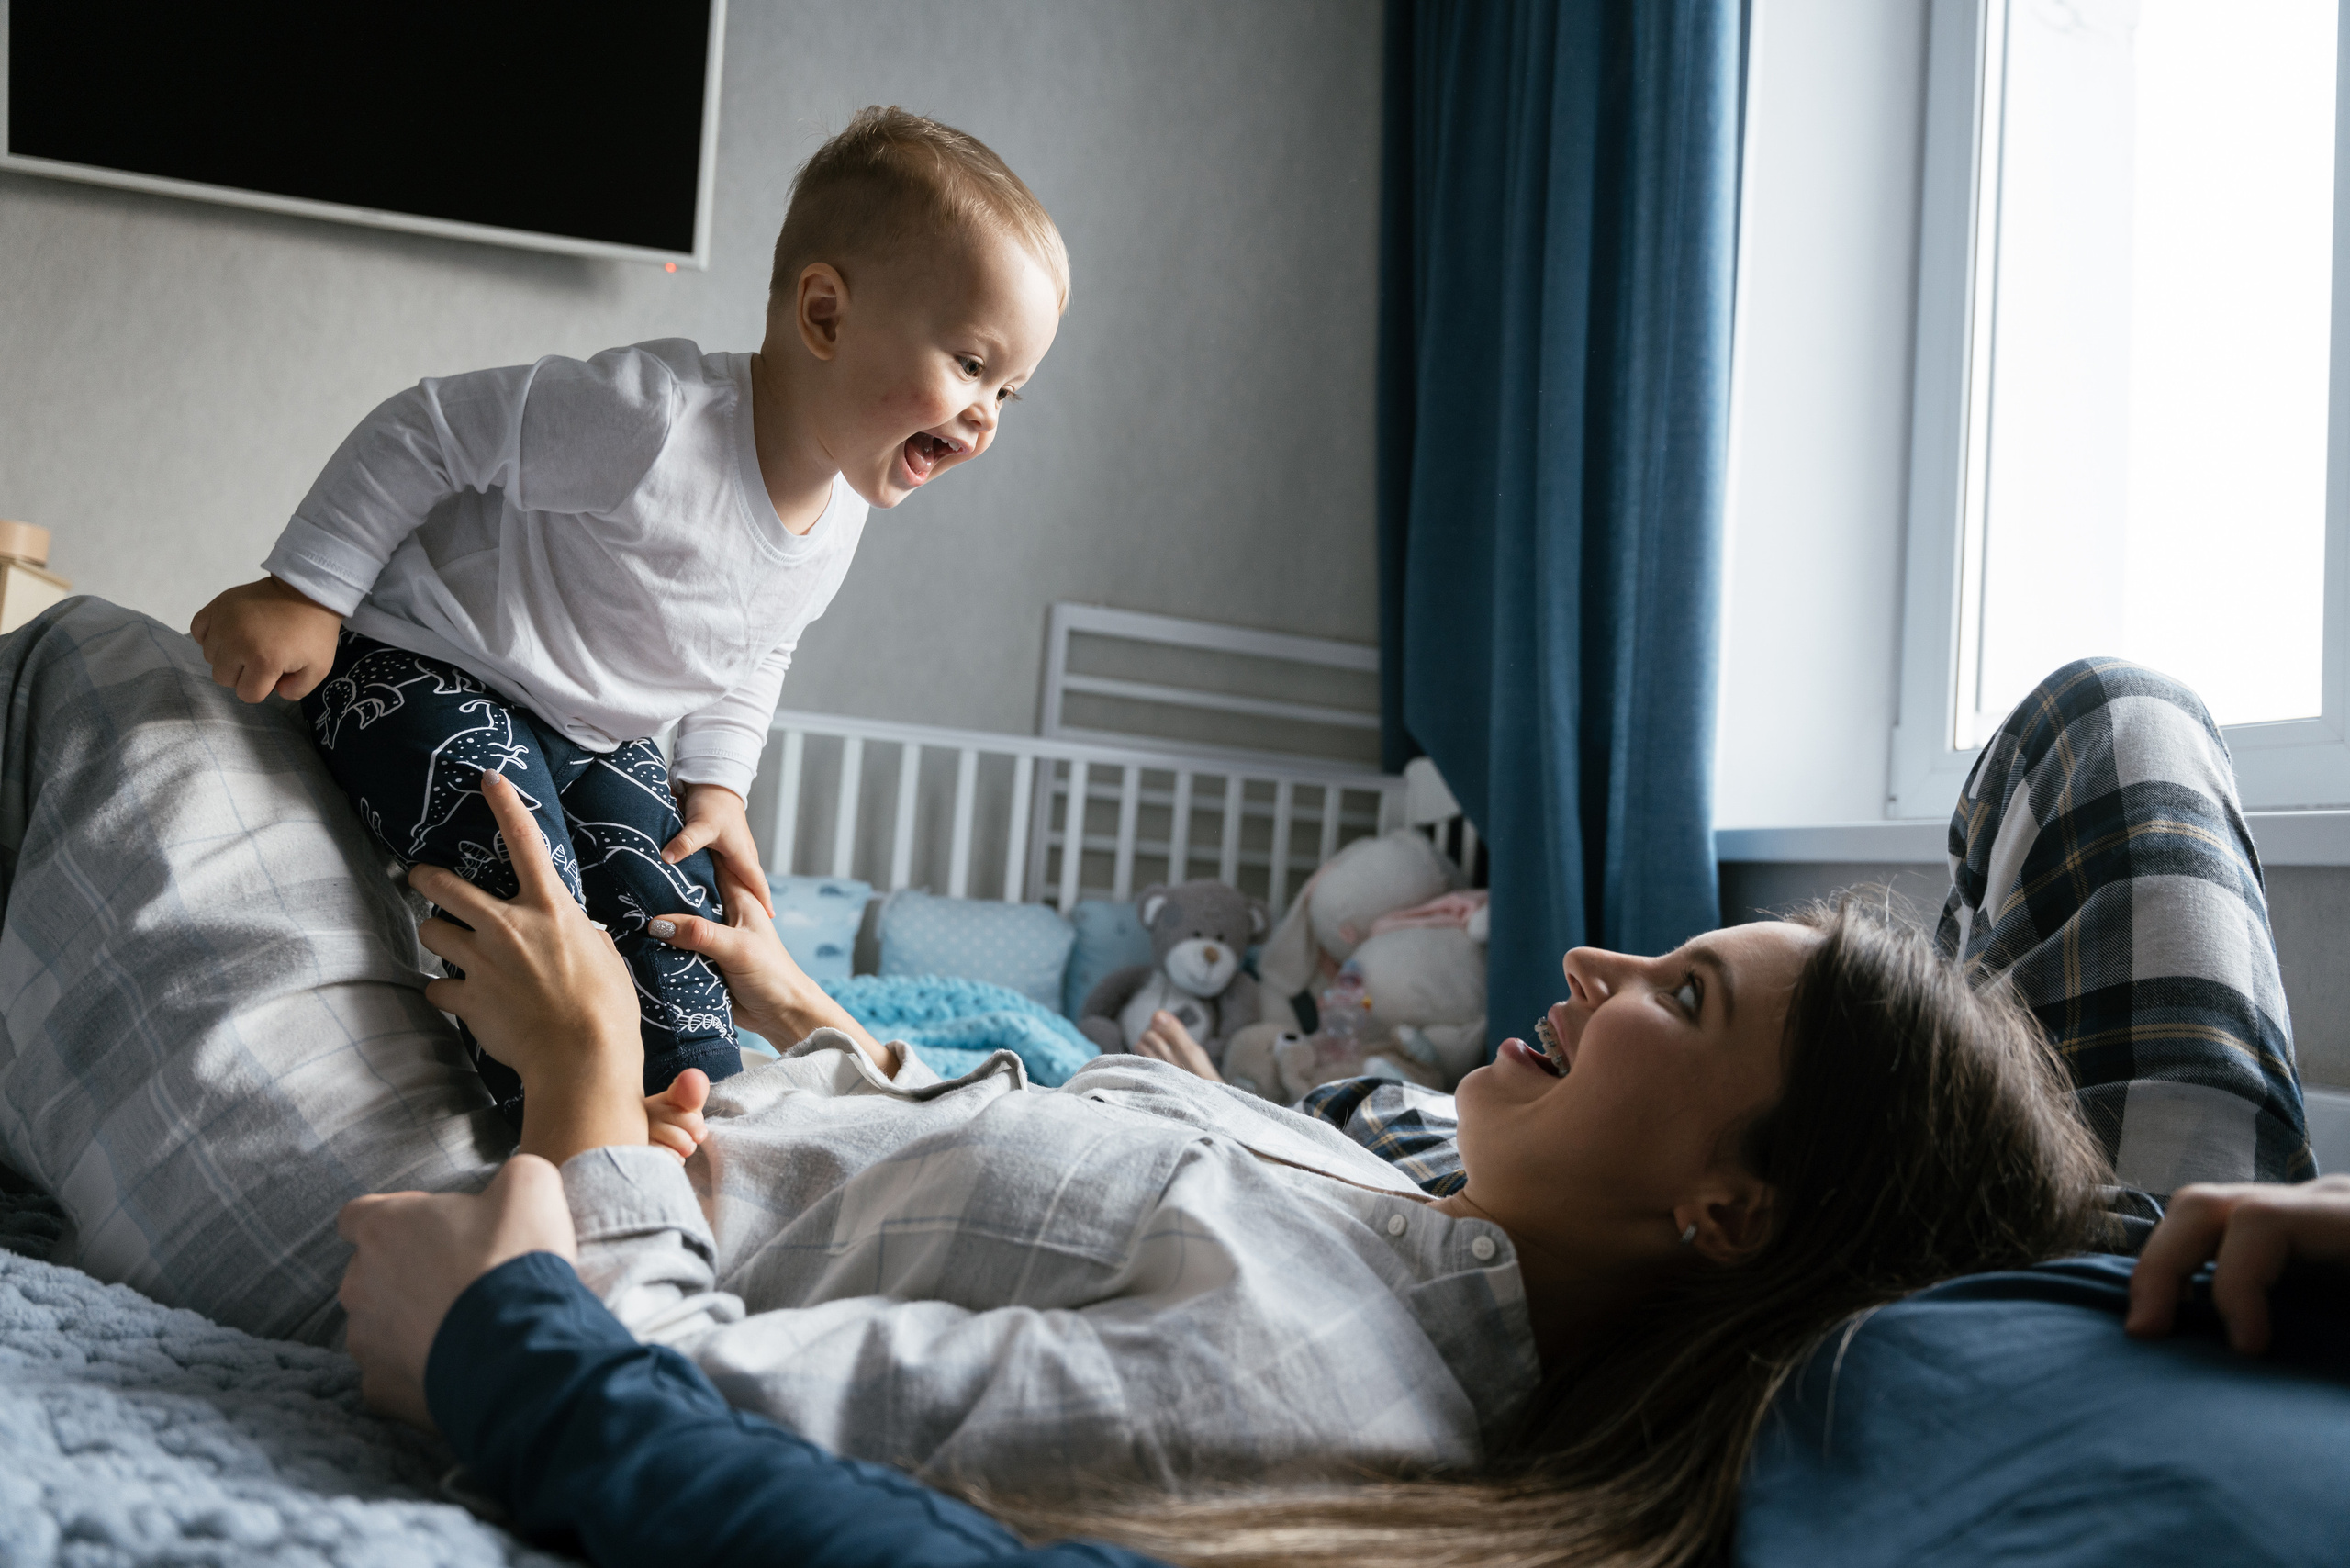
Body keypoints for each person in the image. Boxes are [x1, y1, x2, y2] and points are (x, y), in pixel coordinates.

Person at [334, 655, 2342, 1567]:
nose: (1589, 962)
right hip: (701, 1079)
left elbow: (689, 1393)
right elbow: (1007, 1175)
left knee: (123, 686)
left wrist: (590, 1100)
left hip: (527, 1169)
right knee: (528, 710)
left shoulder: (1300, 1382)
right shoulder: (1397, 1195)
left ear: (1729, 1212)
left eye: (1680, 991)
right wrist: (812, 1017)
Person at [183, 106, 1068, 1125]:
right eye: (969, 364)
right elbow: (426, 431)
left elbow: (758, 643)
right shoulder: (652, 416)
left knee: (675, 916)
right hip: (425, 664)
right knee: (525, 874)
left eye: (1010, 390)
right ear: (824, 315)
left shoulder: (838, 519)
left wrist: (718, 783)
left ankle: (693, 1105)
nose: (986, 415)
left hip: (603, 738)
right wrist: (308, 590)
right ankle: (558, 1119)